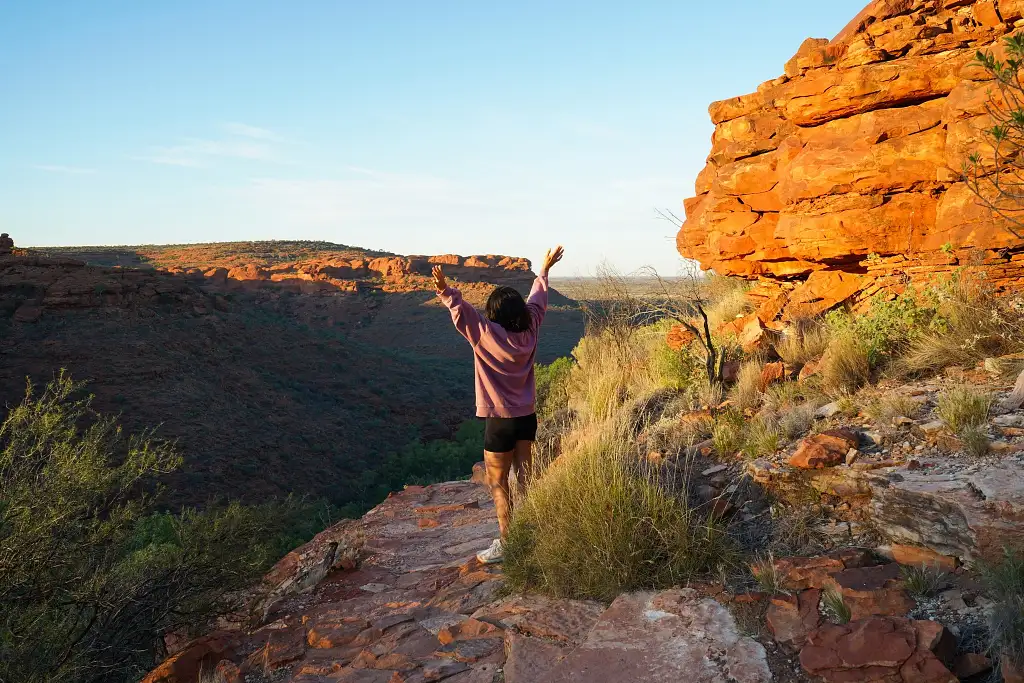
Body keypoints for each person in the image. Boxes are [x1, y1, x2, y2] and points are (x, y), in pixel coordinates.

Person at [433, 246, 564, 564]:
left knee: (498, 482)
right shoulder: (531, 328)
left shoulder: (485, 334)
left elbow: (462, 311)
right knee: (527, 477)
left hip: (500, 421)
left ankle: (508, 543)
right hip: (527, 417)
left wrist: (444, 290)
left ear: (493, 314)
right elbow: (538, 300)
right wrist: (543, 270)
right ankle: (533, 533)